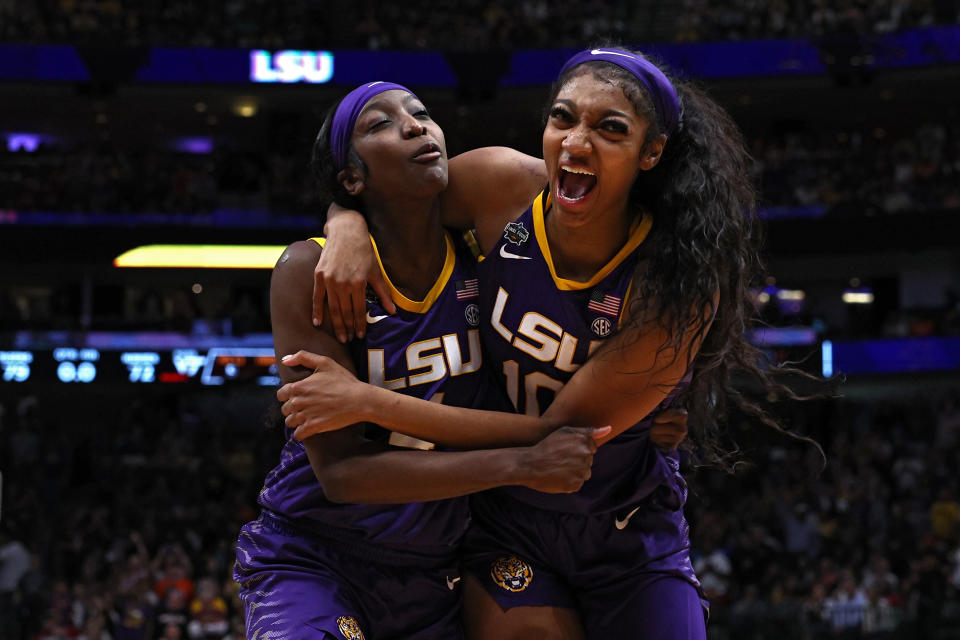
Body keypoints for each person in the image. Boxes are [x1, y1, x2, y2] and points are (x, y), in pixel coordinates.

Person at [280, 47, 805, 639]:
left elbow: (561, 435)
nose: (577, 142)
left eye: (610, 129)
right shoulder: (500, 185)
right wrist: (343, 222)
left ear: (651, 152)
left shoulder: (677, 282)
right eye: (563, 118)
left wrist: (366, 401)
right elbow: (392, 196)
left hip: (623, 520)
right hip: (506, 514)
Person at [234, 81, 629, 640]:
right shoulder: (310, 269)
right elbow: (342, 474)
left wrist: (663, 399)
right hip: (318, 555)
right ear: (351, 177)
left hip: (437, 568)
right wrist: (520, 462)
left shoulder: (487, 252)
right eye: (380, 125)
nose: (417, 125)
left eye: (420, 113)